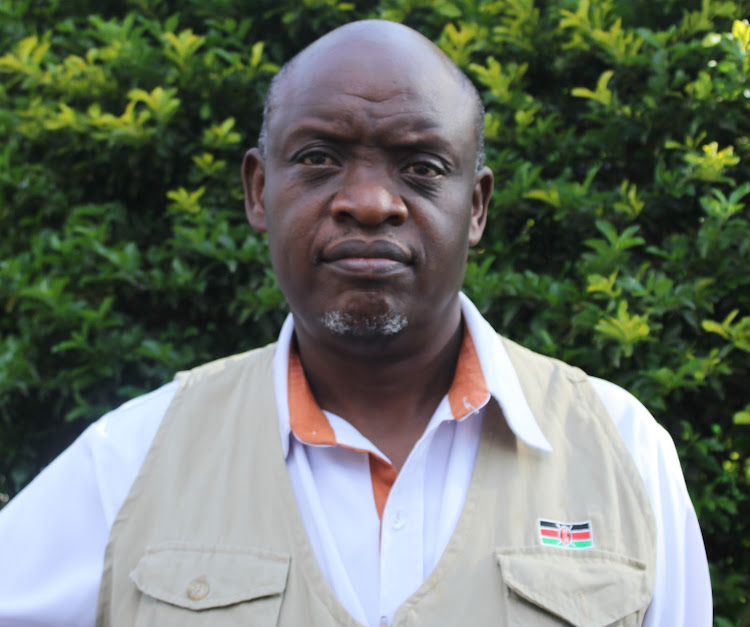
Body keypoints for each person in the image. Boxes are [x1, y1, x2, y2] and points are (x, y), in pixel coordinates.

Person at [0, 20, 711, 627]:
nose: (370, 201)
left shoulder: (622, 451)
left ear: (477, 207)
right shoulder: (131, 462)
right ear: (259, 190)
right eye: (318, 158)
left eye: (423, 165)